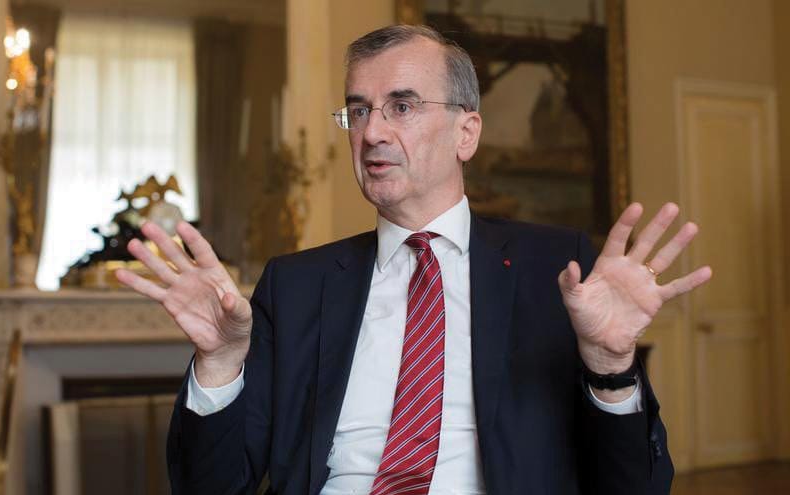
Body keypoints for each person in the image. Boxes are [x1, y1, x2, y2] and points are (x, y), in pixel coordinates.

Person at [116, 25, 711, 495]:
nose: (372, 132)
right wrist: (219, 365)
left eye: (401, 107)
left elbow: (635, 486)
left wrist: (611, 368)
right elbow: (211, 487)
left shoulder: (558, 269)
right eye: (358, 110)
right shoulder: (295, 285)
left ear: (466, 133)